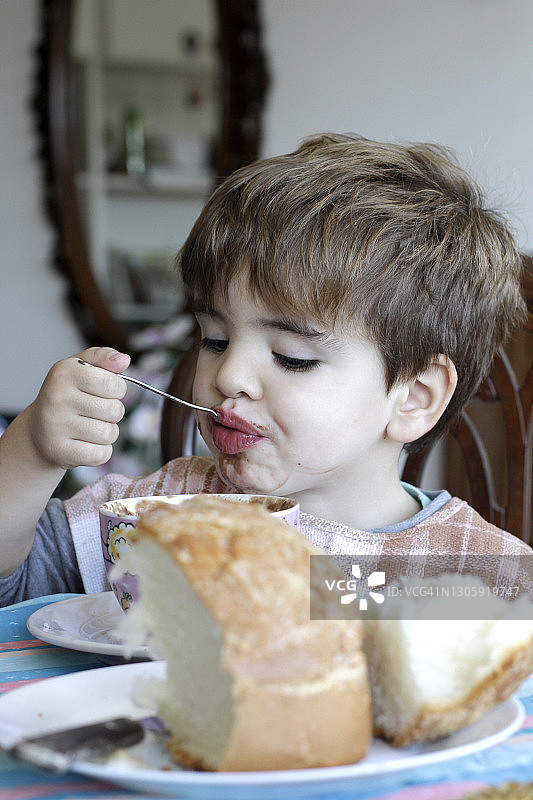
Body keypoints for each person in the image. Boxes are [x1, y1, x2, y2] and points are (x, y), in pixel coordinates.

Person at [0, 132, 531, 607]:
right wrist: (31, 449)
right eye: (215, 339)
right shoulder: (154, 513)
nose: (229, 375)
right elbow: (12, 589)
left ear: (413, 397)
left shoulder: (477, 575)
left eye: (291, 358)